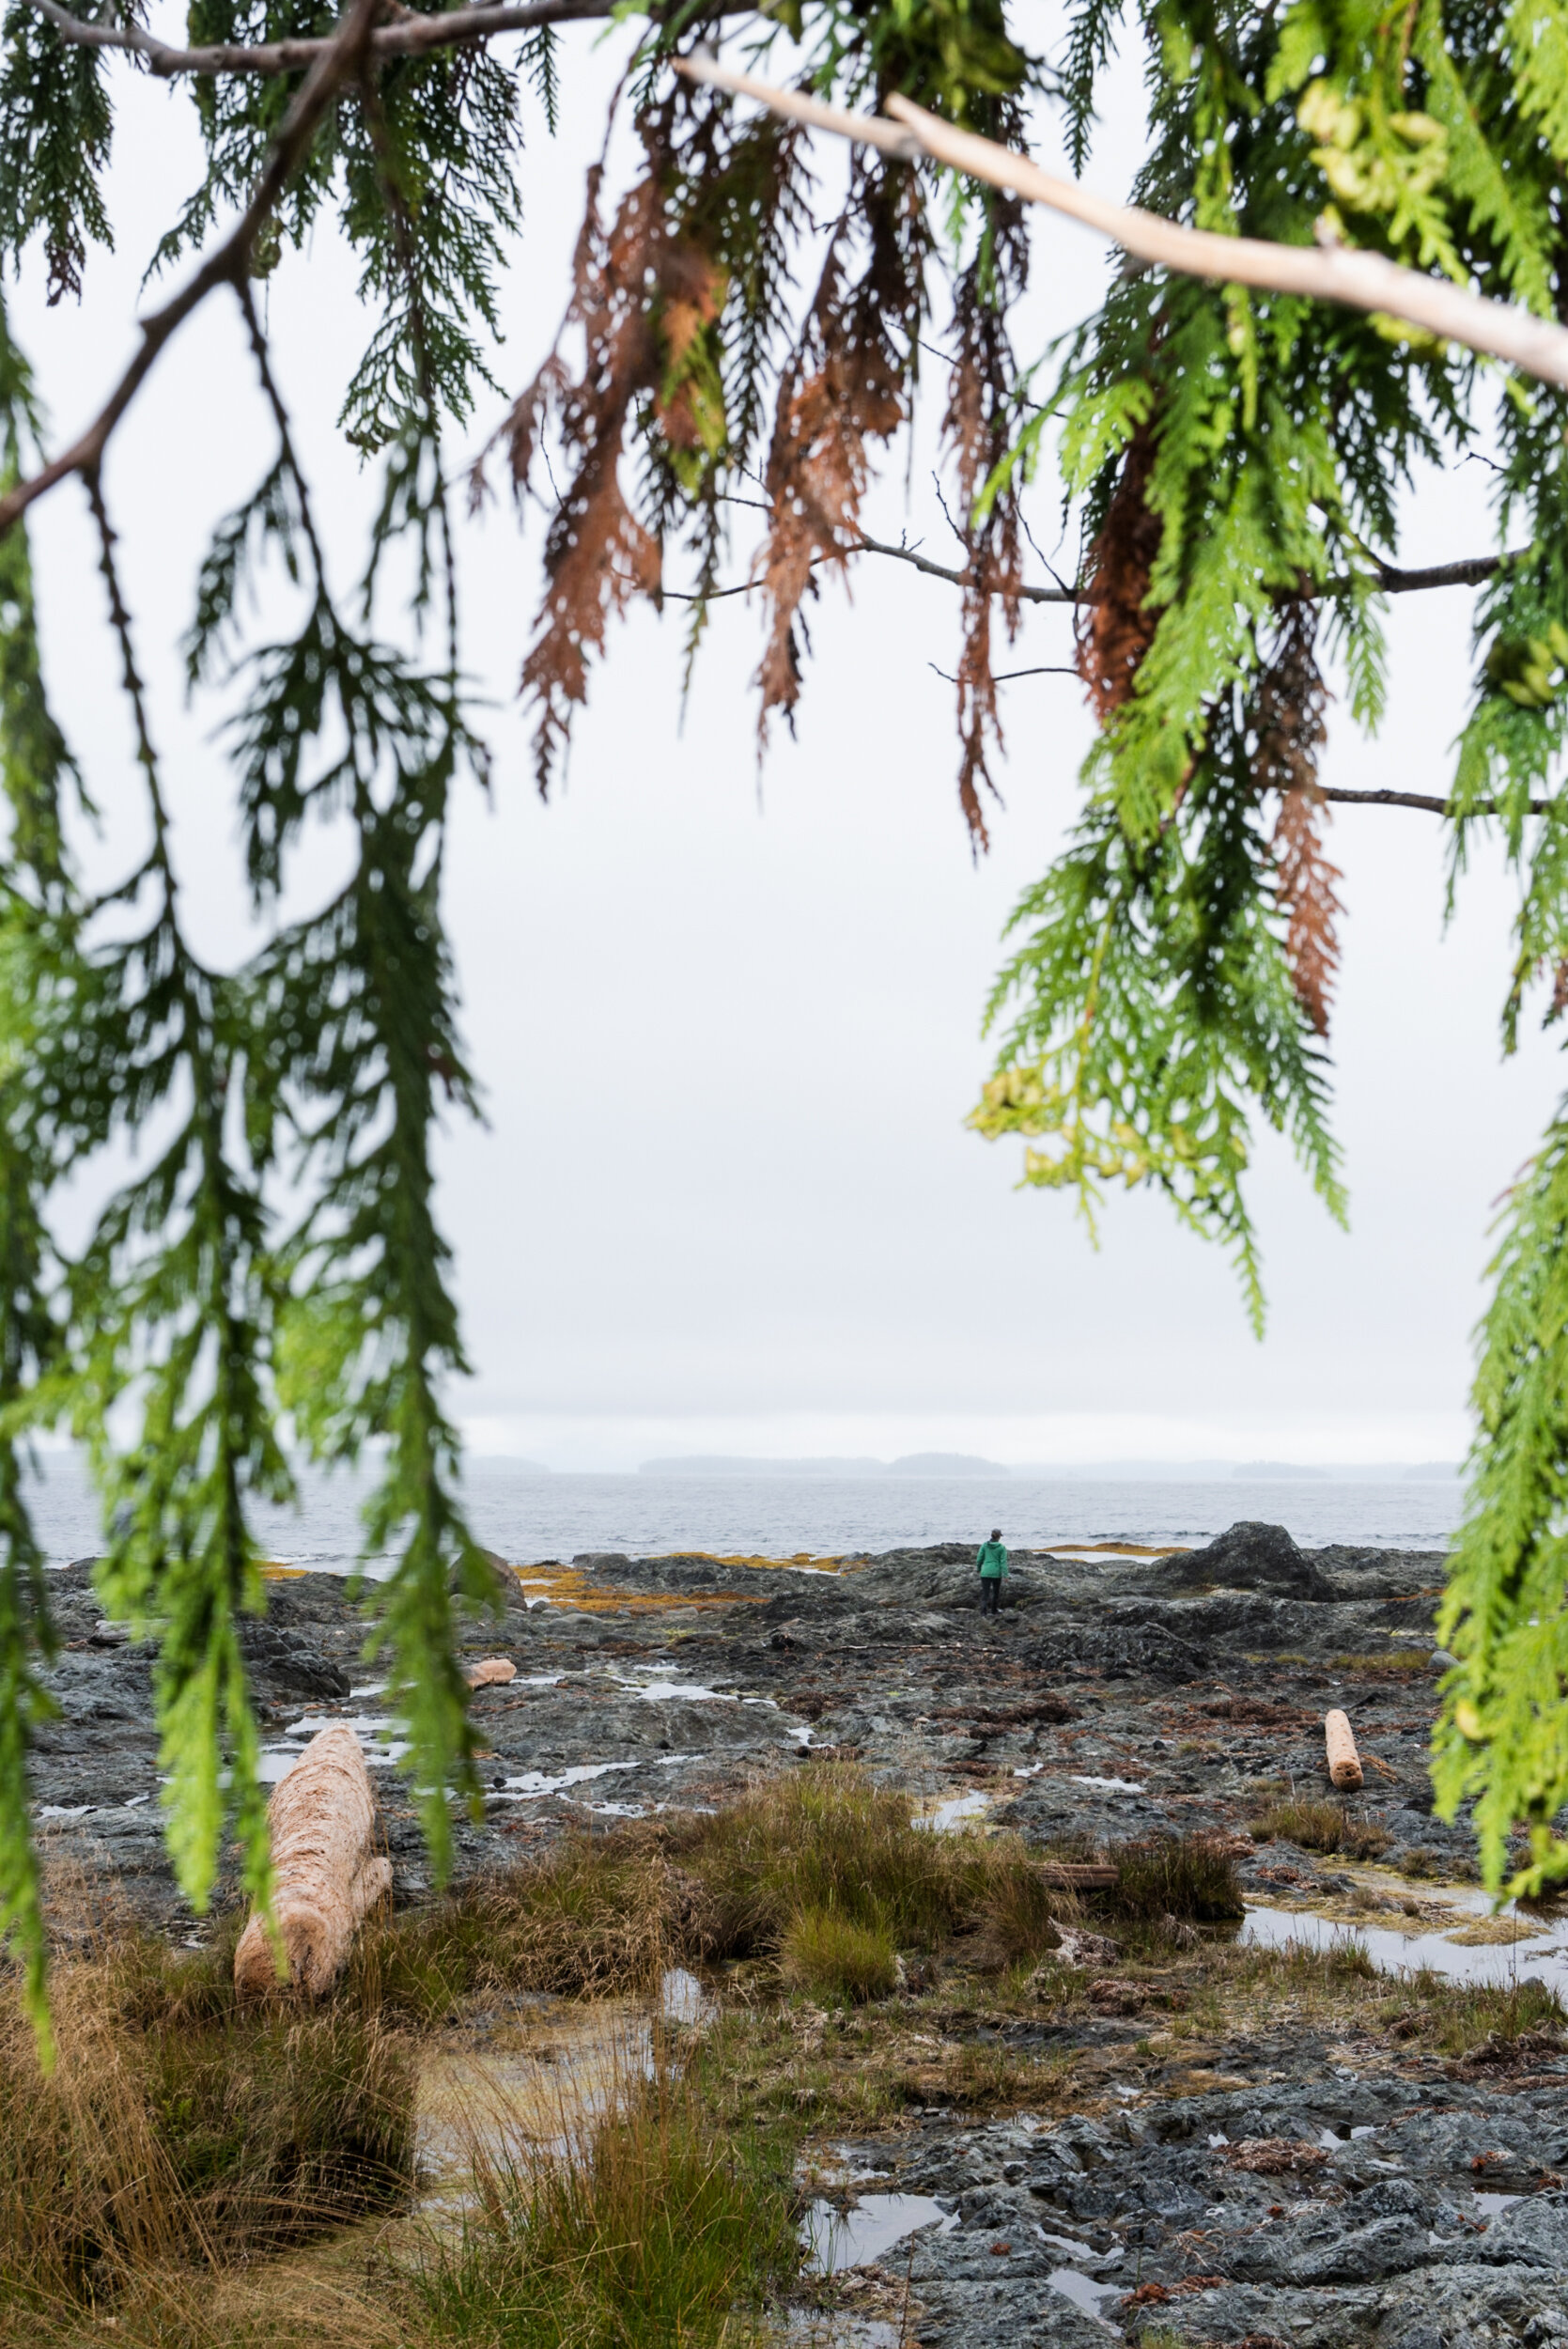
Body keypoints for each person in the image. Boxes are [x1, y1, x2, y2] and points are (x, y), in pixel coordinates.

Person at [976, 1528, 1008, 1617]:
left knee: (985, 1593)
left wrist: (978, 1568)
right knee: (995, 1592)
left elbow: (979, 1558)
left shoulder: (984, 1546)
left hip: (985, 1572)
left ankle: (983, 1612)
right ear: (999, 1537)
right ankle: (994, 1610)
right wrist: (1006, 1574)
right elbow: (1003, 1562)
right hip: (996, 1573)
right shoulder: (1001, 1548)